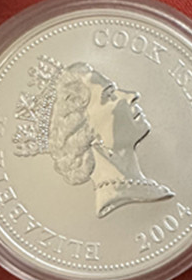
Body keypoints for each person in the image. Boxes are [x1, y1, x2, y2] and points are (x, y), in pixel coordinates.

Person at [14, 57, 173, 218]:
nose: (133, 95)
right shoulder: (118, 197)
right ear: (85, 133)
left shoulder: (145, 189)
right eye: (109, 94)